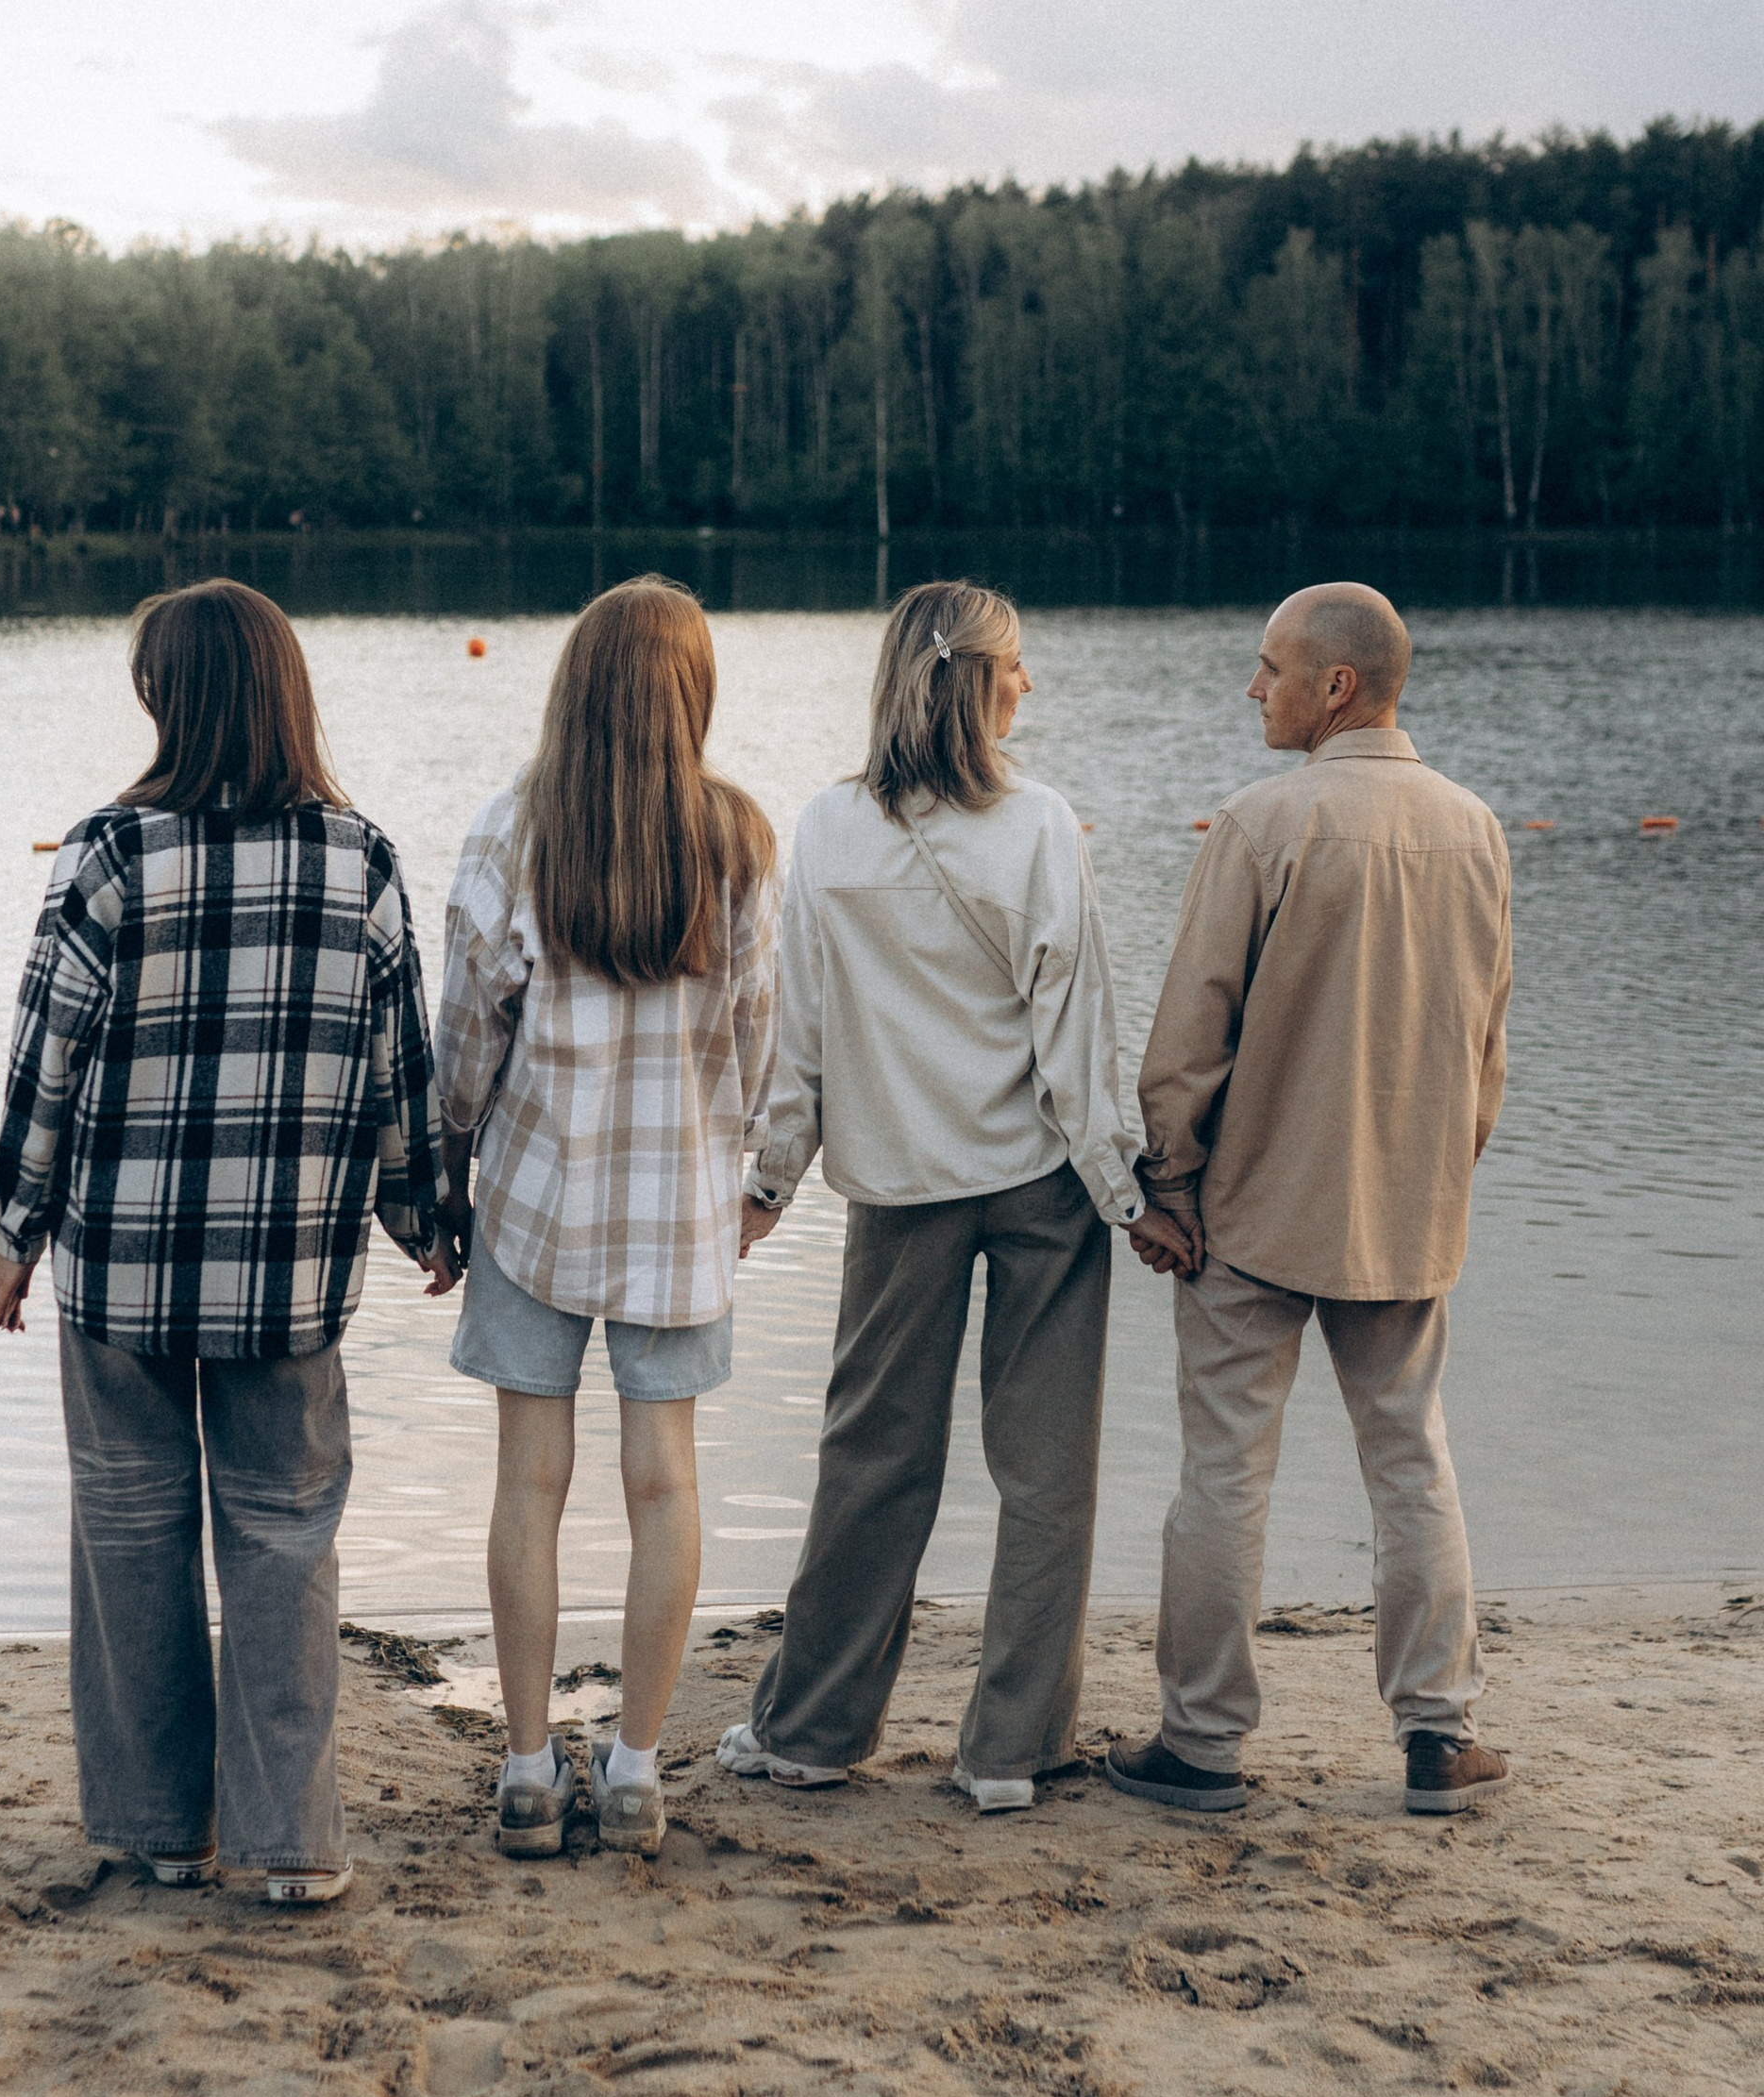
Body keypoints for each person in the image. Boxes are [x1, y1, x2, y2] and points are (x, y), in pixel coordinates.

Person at [0, 579, 448, 1909]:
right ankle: (289, 1846)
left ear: (165, 699)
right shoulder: (359, 858)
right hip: (289, 1273)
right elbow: (398, 1071)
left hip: (124, 1269)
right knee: (285, 1539)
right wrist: (424, 1215)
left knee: (132, 1533)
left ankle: (156, 1831)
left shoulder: (108, 854)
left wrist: (13, 1230)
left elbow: (43, 1067)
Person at [720, 579, 1145, 1812]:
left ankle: (811, 1730)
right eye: (1019, 665)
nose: (1031, 685)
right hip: (1039, 1187)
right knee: (1047, 1471)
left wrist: (765, 1183)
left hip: (899, 1189)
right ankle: (1009, 1750)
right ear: (980, 681)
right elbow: (1078, 1037)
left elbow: (797, 1040)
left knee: (871, 1456)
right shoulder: (1041, 825)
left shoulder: (832, 828)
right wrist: (1125, 1196)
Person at [1106, 581, 1513, 1820]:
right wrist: (1445, 1173)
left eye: (1272, 666)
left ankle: (1205, 1743)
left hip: (1253, 1210)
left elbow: (1188, 1035)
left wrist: (1165, 1182)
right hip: (1404, 1207)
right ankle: (1439, 1736)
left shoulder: (1261, 821)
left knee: (1226, 1469)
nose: (1254, 686)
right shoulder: (1475, 827)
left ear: (1337, 686)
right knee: (1413, 1459)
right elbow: (1484, 1046)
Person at [437, 577, 779, 1862]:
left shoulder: (514, 830)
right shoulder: (738, 839)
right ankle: (634, 1767)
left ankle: (529, 1769)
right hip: (676, 1211)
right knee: (666, 1482)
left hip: (533, 1200)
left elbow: (468, 1039)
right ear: (693, 692)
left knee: (529, 1477)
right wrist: (744, 1175)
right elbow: (757, 1033)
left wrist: (445, 1158)